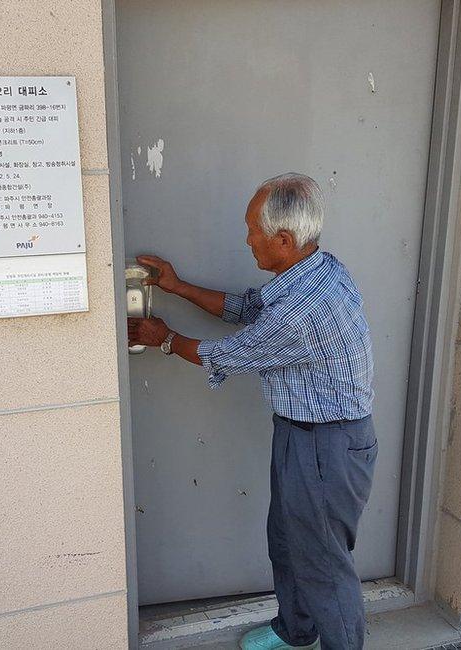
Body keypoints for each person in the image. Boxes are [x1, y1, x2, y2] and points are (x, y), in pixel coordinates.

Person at [128, 173, 377, 650]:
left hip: (328, 447)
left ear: (283, 239)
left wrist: (165, 339)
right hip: (302, 436)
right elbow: (246, 307)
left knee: (324, 565)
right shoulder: (315, 268)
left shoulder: (301, 309)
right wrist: (178, 287)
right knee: (287, 542)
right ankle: (296, 630)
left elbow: (228, 353)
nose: (246, 239)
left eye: (252, 231)